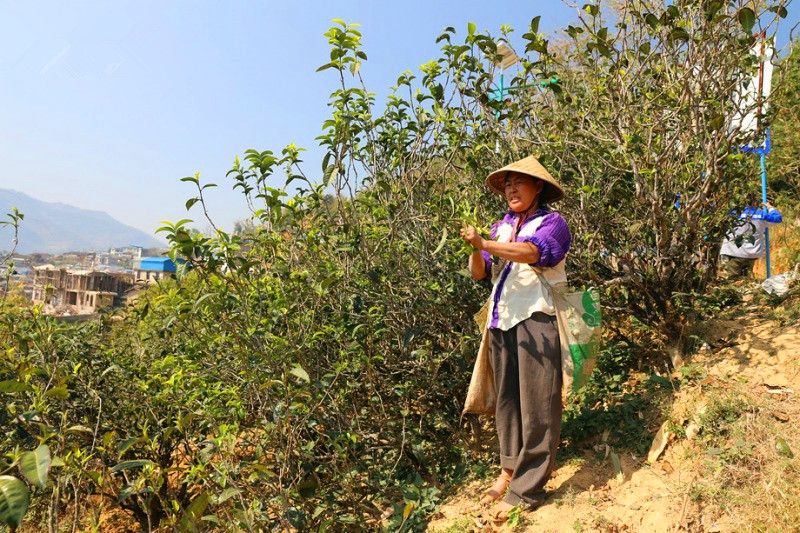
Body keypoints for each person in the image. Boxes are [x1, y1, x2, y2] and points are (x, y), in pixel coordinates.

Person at [459, 155, 571, 520]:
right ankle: (509, 470)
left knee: (539, 404)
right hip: (501, 321)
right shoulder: (502, 227)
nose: (511, 188)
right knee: (508, 402)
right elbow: (480, 275)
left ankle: (527, 488)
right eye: (506, 183)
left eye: (518, 182)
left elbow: (534, 253)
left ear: (538, 187)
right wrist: (478, 247)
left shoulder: (552, 222)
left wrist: (486, 243)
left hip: (537, 319)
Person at [719, 201, 782, 279]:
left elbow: (715, 213)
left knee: (730, 279)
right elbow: (777, 219)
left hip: (733, 253)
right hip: (752, 254)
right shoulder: (762, 215)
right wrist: (770, 207)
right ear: (755, 203)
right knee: (745, 280)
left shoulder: (733, 214)